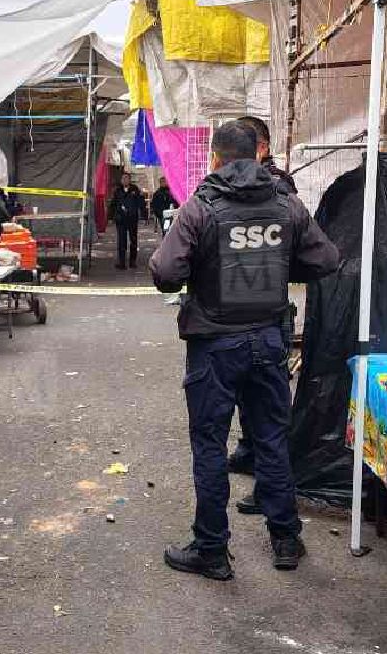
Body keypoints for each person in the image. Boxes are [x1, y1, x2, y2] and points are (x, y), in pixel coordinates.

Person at [149, 122, 339, 579]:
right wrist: (280, 266)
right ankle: (286, 538)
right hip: (268, 339)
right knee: (271, 438)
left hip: (215, 345)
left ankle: (212, 549)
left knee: (210, 444)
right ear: (257, 155)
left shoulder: (201, 207)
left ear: (215, 158)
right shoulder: (286, 204)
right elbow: (325, 259)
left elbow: (166, 272)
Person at [228, 115, 303, 513]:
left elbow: (310, 253)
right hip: (240, 308)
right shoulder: (236, 187)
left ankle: (269, 491)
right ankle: (248, 453)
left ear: (262, 148)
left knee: (269, 411)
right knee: (248, 396)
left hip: (266, 311)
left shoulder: (278, 188)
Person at [110, 172, 143, 270]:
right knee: (121, 241)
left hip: (132, 218)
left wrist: (143, 215)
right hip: (121, 219)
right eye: (123, 178)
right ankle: (122, 263)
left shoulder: (135, 189)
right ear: (121, 180)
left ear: (129, 180)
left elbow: (140, 202)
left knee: (133, 240)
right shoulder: (118, 190)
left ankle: (132, 262)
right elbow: (113, 204)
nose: (125, 180)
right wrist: (111, 217)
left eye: (126, 178)